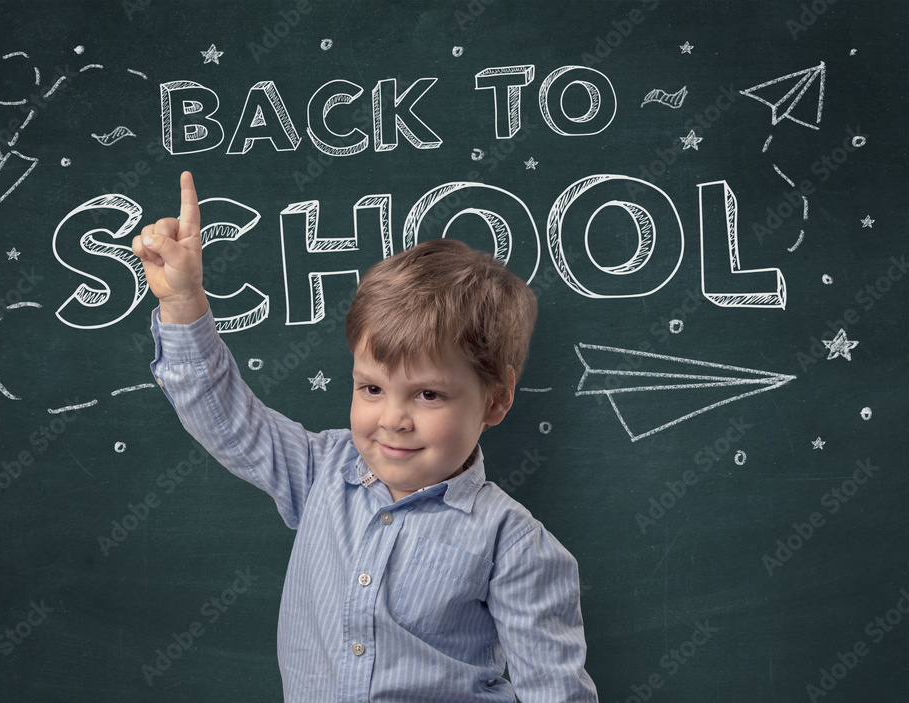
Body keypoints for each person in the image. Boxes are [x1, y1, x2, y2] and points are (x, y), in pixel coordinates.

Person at [133, 171, 597, 702]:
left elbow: (555, 692)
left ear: (495, 400)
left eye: (428, 396)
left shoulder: (512, 543)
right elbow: (225, 418)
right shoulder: (320, 470)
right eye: (372, 388)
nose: (393, 419)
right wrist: (182, 302)